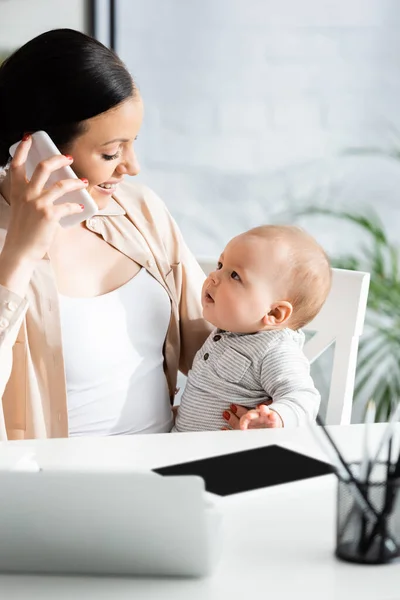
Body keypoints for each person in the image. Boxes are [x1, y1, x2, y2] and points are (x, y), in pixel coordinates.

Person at [0, 28, 217, 440]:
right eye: (111, 152)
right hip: (53, 492)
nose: (131, 166)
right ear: (37, 148)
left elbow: (207, 342)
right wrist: (19, 257)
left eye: (132, 145)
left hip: (168, 468)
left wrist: (276, 390)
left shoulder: (140, 209)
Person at [173, 225, 332, 432]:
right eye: (220, 265)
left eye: (235, 276)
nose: (213, 276)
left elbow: (304, 398)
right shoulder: (230, 331)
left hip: (222, 459)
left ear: (274, 313)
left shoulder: (274, 350)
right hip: (181, 447)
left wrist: (275, 418)